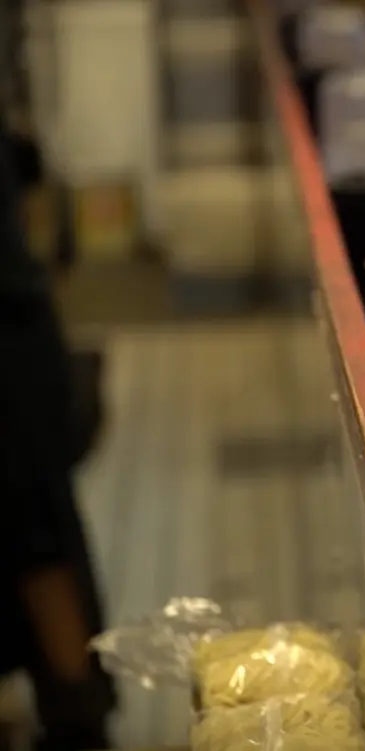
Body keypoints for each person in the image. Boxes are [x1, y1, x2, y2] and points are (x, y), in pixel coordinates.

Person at [0, 129, 116, 751]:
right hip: (19, 331)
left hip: (11, 347)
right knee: (37, 534)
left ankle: (79, 721)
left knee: (34, 533)